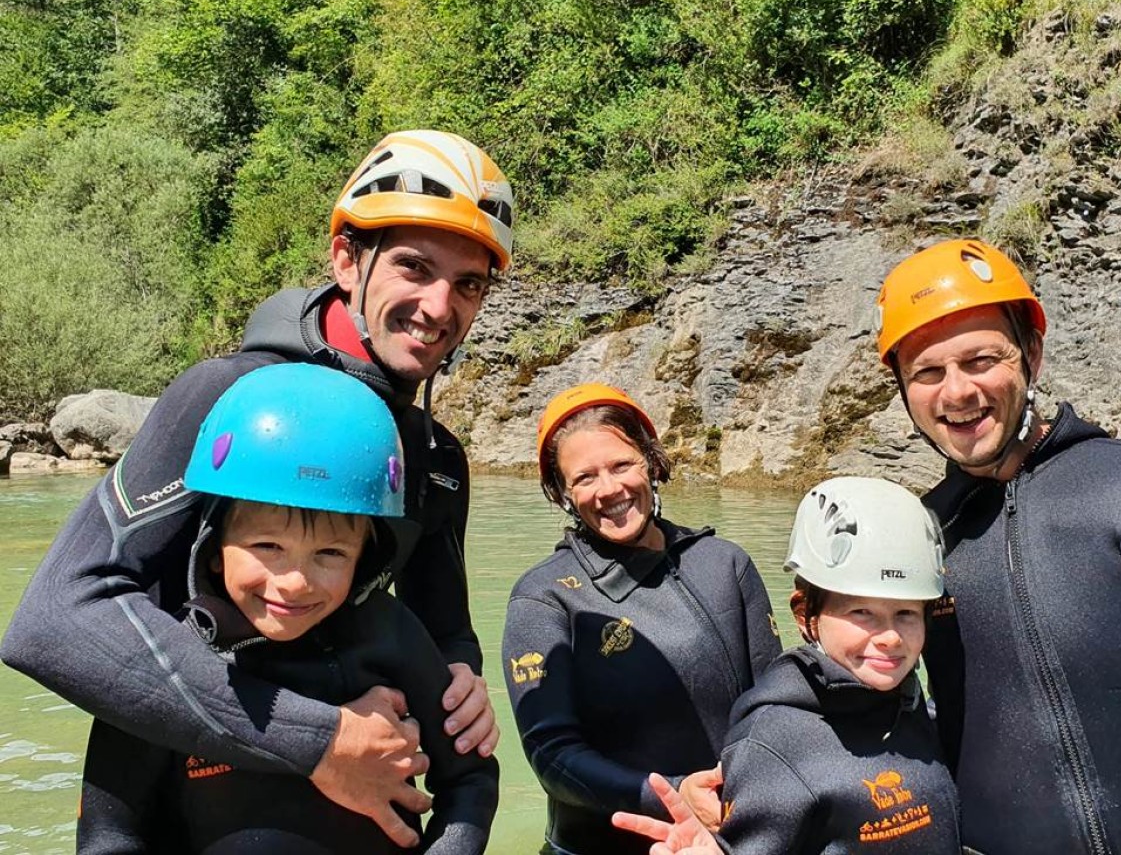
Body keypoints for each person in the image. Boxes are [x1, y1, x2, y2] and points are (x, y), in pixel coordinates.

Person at [1, 129, 509, 847]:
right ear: (346, 260)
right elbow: (55, 623)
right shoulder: (225, 397)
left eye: (468, 285)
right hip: (186, 795)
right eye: (413, 268)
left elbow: (445, 629)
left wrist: (460, 681)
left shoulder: (431, 457)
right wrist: (319, 741)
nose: (438, 306)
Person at [77, 362, 498, 854]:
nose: (295, 582)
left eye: (330, 554)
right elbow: (109, 836)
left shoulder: (390, 634)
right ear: (214, 546)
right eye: (267, 547)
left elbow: (469, 779)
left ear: (366, 558)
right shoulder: (166, 661)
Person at [875, 238, 1121, 854]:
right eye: (927, 372)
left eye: (980, 360)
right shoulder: (919, 534)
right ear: (902, 389)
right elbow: (868, 704)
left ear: (1032, 354)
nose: (957, 393)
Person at [502, 382, 782, 855]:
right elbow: (552, 756)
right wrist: (671, 795)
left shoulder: (723, 563)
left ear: (650, 460)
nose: (609, 489)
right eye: (584, 477)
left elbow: (776, 707)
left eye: (621, 464)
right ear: (561, 493)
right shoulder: (544, 597)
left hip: (724, 839)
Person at [613, 477, 962, 854]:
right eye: (863, 612)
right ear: (804, 614)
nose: (891, 637)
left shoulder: (907, 704)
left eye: (907, 613)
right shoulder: (772, 743)